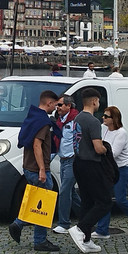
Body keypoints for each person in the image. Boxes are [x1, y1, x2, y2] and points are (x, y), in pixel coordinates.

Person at [9, 89, 62, 252]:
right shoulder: (43, 122)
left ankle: (19, 224)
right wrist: (42, 169)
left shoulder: (32, 116)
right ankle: (38, 239)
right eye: (55, 105)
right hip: (37, 168)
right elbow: (37, 145)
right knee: (44, 205)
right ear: (49, 103)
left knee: (36, 200)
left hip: (28, 166)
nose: (56, 108)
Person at [68, 88, 111, 254]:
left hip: (78, 162)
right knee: (104, 201)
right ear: (94, 101)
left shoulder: (77, 118)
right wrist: (106, 149)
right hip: (91, 164)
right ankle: (80, 229)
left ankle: (86, 239)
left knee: (87, 202)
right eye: (98, 101)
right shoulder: (93, 122)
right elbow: (98, 147)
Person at [94, 106, 128, 239]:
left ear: (114, 118)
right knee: (105, 198)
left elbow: (114, 153)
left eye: (106, 116)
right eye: (103, 115)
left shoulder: (121, 133)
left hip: (120, 169)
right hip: (108, 169)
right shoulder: (104, 129)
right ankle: (102, 230)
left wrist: (100, 150)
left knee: (121, 200)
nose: (103, 118)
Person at [52, 95, 82, 235]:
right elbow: (57, 140)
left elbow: (79, 139)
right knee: (70, 192)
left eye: (60, 105)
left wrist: (78, 155)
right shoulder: (60, 120)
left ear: (69, 106)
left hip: (72, 160)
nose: (57, 107)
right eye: (57, 105)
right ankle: (87, 217)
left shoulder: (75, 120)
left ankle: (64, 223)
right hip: (63, 159)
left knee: (64, 190)